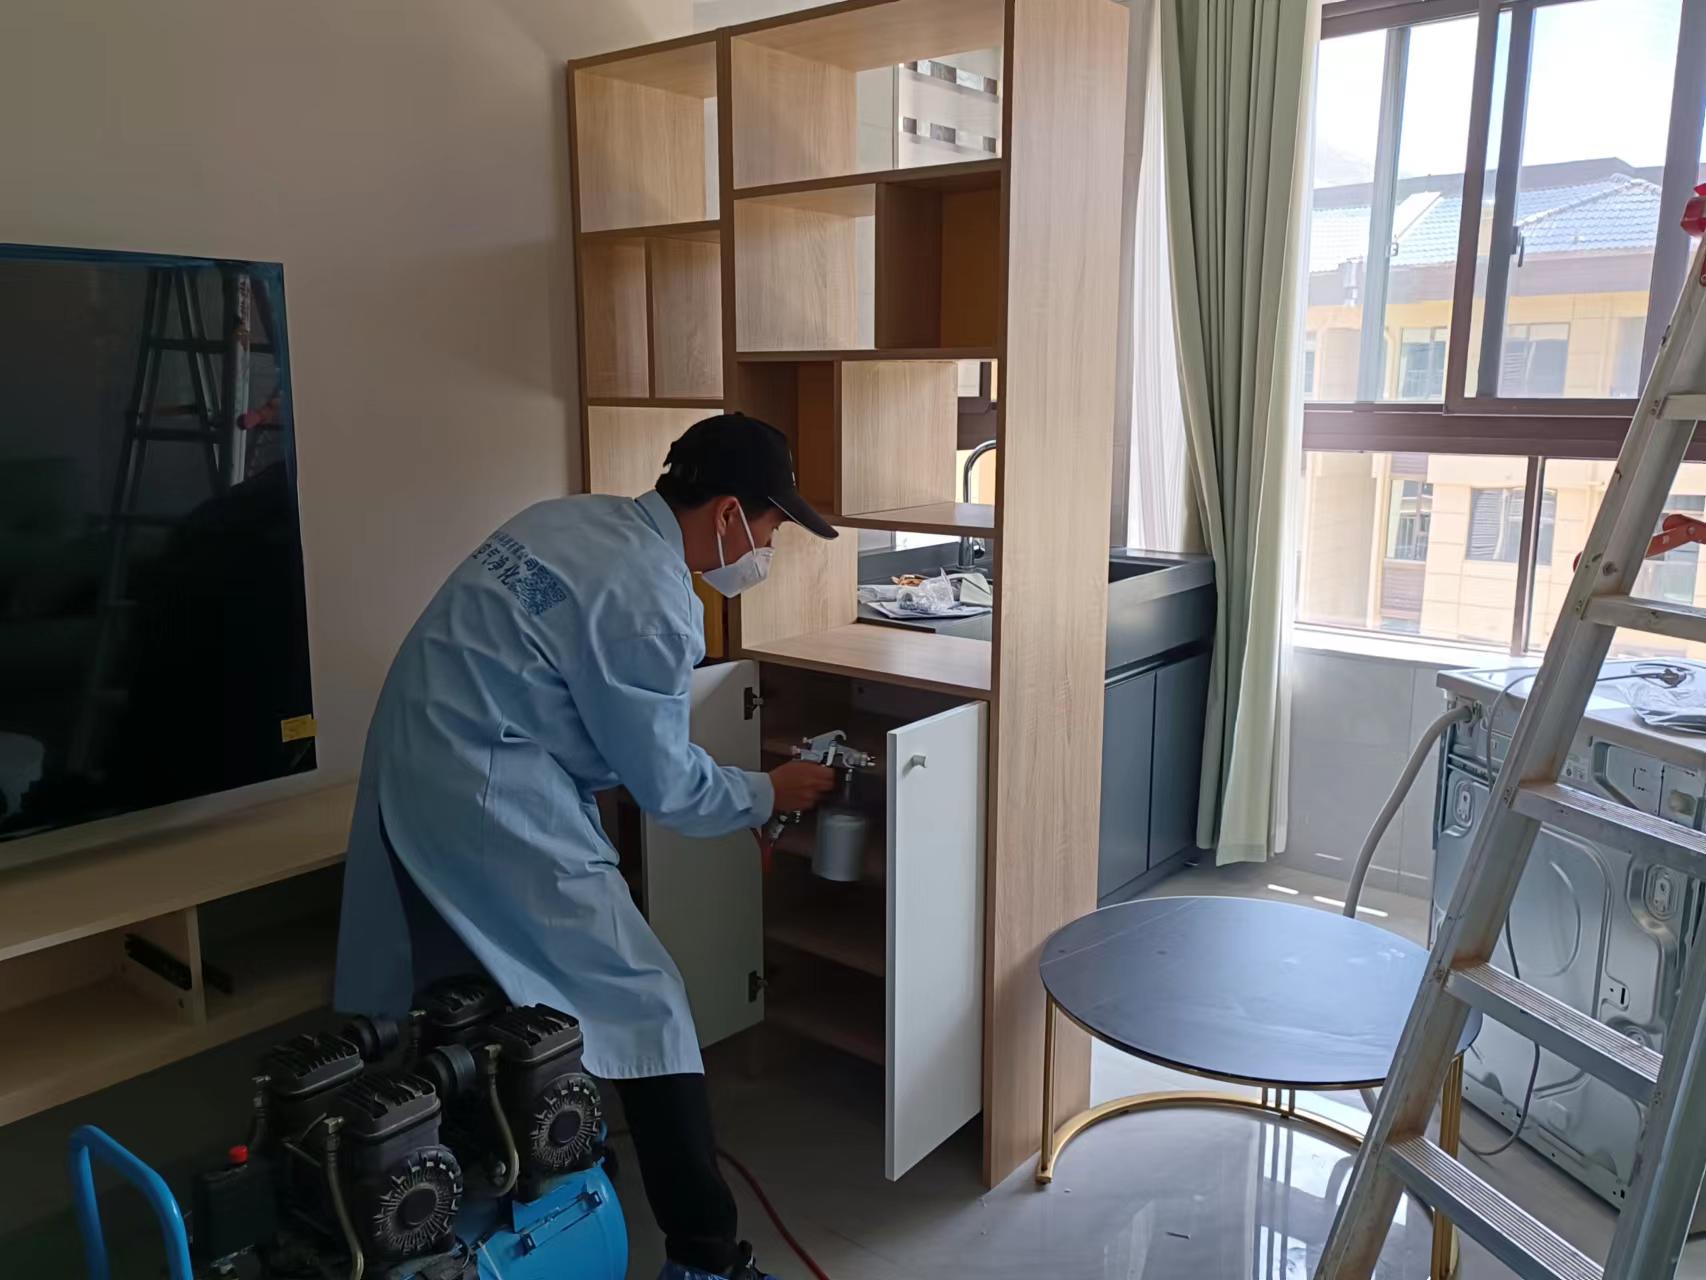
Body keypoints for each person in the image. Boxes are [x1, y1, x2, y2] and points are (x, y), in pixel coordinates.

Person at [333, 414, 839, 1280]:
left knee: (476, 990)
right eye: (770, 529)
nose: (765, 549)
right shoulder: (653, 599)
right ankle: (706, 1257)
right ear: (727, 513)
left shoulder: (570, 518)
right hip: (484, 787)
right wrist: (767, 793)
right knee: (646, 1000)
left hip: (422, 753)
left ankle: (505, 1182)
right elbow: (669, 789)